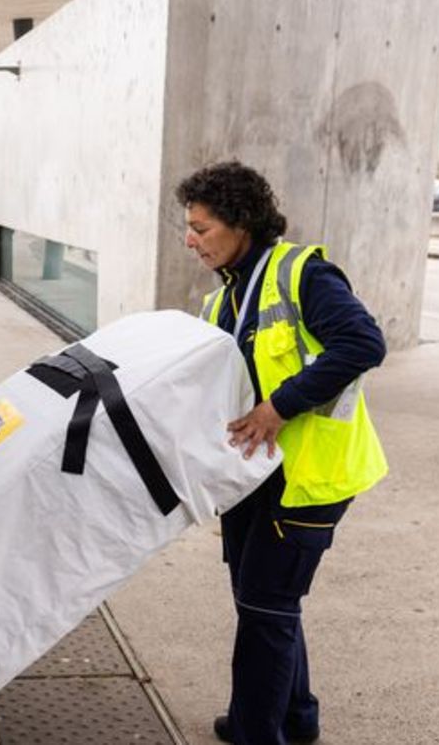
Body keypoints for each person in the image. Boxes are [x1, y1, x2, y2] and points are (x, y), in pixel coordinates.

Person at [177, 162, 388, 745]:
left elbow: (364, 343)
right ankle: (297, 718)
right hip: (253, 478)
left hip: (307, 477)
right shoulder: (225, 297)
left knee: (266, 610)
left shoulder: (301, 273)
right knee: (263, 603)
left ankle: (256, 732)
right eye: (189, 228)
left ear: (241, 222)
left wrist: (278, 407)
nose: (190, 240)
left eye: (201, 228)